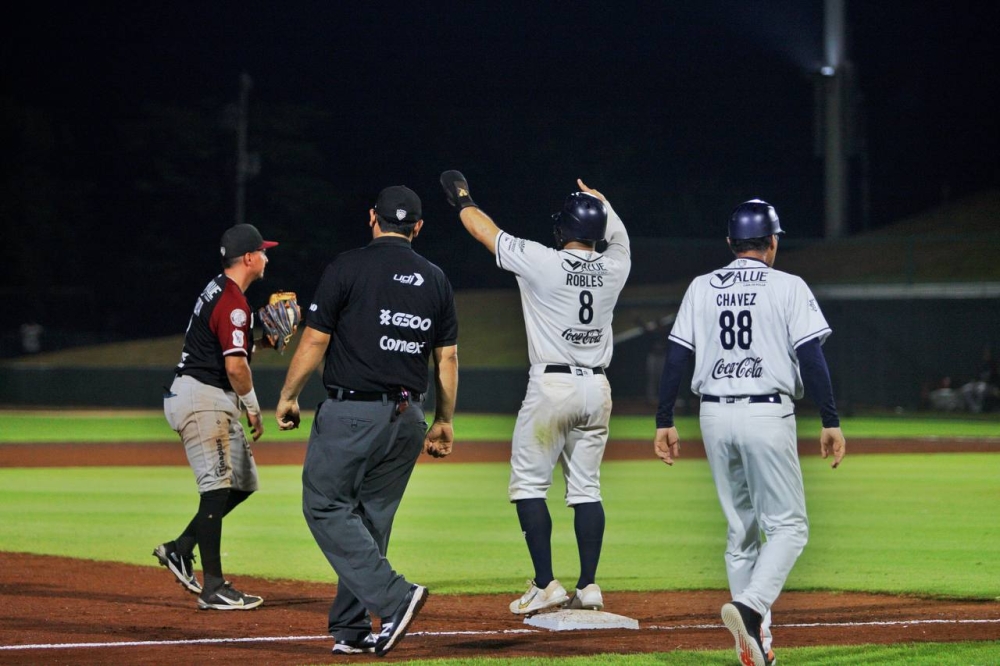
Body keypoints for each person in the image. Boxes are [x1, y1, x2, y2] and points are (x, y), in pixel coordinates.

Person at [653, 199, 846, 666]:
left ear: (730, 244)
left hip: (713, 416)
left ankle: (757, 643)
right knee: (791, 527)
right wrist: (830, 418)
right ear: (773, 242)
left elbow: (676, 355)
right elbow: (811, 358)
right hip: (766, 412)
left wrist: (664, 419)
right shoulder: (788, 286)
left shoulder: (702, 287)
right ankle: (751, 608)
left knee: (741, 530)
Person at [275, 185, 458, 657]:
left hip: (353, 411)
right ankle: (351, 627)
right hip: (408, 416)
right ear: (417, 227)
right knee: (371, 518)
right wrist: (444, 420)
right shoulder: (436, 278)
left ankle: (396, 598)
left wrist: (289, 396)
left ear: (371, 217)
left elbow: (314, 341)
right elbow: (448, 358)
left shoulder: (347, 267)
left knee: (324, 505)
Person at [440, 171, 631, 616]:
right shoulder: (616, 266)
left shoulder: (541, 260)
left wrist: (463, 198)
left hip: (552, 385)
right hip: (597, 387)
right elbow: (617, 235)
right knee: (586, 489)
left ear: (563, 228)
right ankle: (589, 584)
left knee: (528, 486)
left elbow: (483, 230)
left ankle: (545, 583)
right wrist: (603, 201)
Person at [155, 223, 279, 610]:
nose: (266, 256)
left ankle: (181, 548)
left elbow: (225, 347)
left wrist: (264, 341)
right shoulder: (233, 303)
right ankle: (213, 588)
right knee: (214, 490)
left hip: (202, 393)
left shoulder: (221, 291)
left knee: (241, 483)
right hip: (203, 398)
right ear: (248, 258)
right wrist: (256, 410)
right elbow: (236, 368)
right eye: (262, 251)